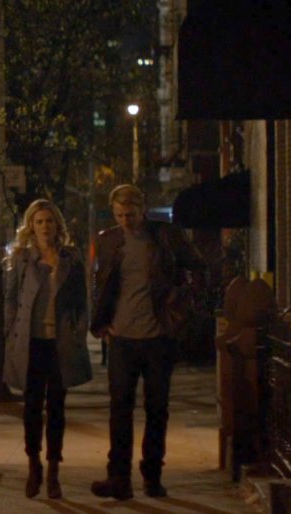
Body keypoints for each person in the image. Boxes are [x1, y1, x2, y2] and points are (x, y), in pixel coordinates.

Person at [88, 184, 204, 500]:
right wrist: (103, 323)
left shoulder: (165, 236)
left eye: (131, 214)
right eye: (120, 215)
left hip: (158, 337)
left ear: (143, 209)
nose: (126, 220)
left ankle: (152, 477)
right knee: (119, 410)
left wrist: (179, 304)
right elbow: (101, 284)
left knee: (157, 409)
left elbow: (197, 268)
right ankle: (119, 479)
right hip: (122, 338)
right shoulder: (108, 240)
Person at [3, 199, 93, 500]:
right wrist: (10, 334)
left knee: (56, 408)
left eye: (49, 221)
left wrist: (79, 332)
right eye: (39, 222)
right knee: (31, 408)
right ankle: (33, 466)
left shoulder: (71, 258)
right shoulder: (22, 259)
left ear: (57, 226)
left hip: (60, 344)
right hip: (31, 343)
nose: (44, 227)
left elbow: (81, 302)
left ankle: (54, 470)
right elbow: (11, 299)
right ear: (31, 226)